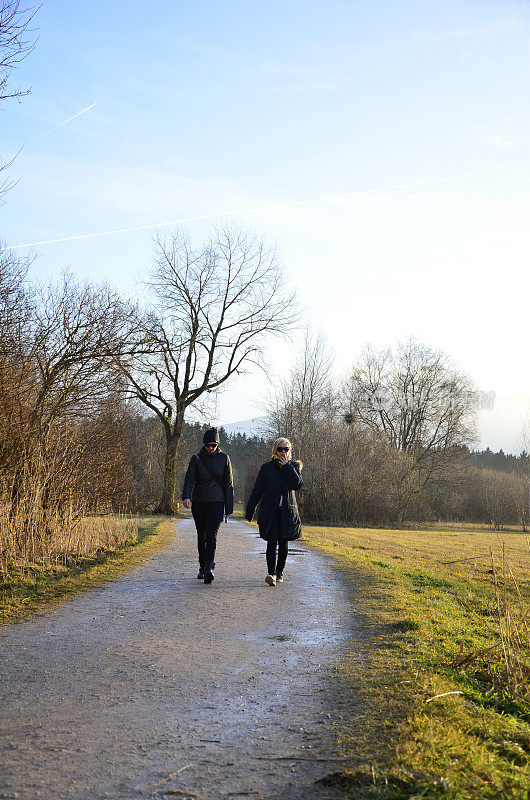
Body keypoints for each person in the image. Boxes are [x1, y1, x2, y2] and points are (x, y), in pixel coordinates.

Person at [245, 437, 303, 586]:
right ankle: (271, 574)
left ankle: (280, 572)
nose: (283, 452)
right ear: (275, 451)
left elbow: (297, 485)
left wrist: (287, 467)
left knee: (283, 543)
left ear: (289, 451)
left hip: (287, 511)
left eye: (286, 449)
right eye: (280, 449)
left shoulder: (294, 466)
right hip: (270, 511)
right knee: (271, 542)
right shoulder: (267, 468)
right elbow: (257, 490)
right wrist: (251, 509)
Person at [182, 427, 234, 584]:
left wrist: (229, 508)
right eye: (208, 445)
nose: (211, 448)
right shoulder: (196, 459)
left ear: (217, 444)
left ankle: (209, 568)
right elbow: (189, 479)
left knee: (211, 534)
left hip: (217, 502)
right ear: (204, 444)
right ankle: (202, 567)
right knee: (201, 535)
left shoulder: (224, 458)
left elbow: (229, 484)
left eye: (214, 445)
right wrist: (186, 497)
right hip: (199, 502)